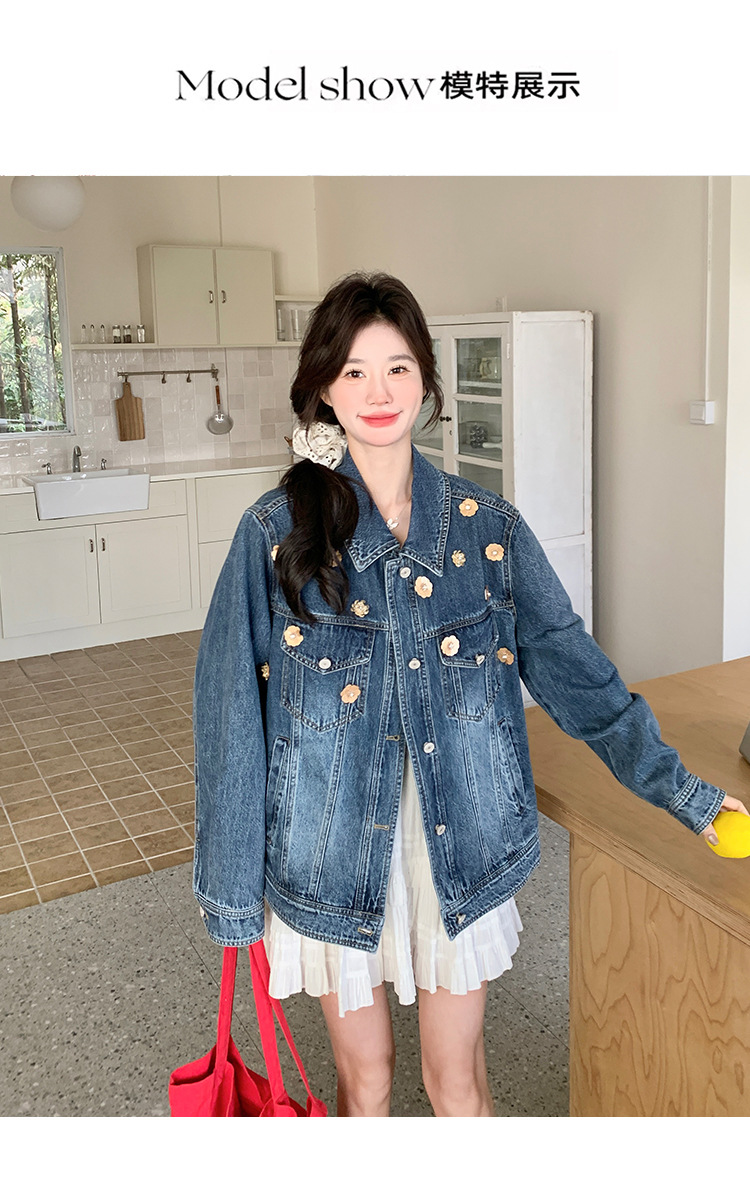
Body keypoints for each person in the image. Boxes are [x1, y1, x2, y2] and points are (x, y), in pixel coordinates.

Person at [192, 271, 748, 1118]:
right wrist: (233, 895)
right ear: (324, 391)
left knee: (456, 1084)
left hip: (462, 847)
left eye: (398, 368)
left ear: (427, 381)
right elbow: (231, 721)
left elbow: (579, 678)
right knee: (365, 1083)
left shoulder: (490, 531)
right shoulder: (275, 535)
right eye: (353, 372)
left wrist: (687, 795)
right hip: (327, 853)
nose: (379, 392)